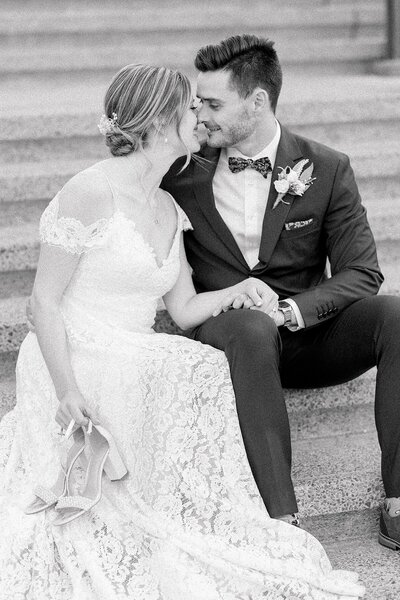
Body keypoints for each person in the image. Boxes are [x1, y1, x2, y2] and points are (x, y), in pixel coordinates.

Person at [0, 63, 365, 599]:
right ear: (155, 122)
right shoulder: (89, 191)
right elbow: (43, 304)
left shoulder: (170, 206)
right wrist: (67, 389)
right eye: (189, 106)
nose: (199, 114)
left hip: (133, 343)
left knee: (197, 364)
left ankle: (199, 509)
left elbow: (188, 308)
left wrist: (244, 290)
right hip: (74, 349)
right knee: (185, 368)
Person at [161, 34, 400, 549]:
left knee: (397, 315)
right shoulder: (180, 174)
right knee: (249, 326)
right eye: (198, 102)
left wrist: (289, 309)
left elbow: (362, 272)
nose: (201, 114)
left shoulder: (327, 167)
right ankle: (281, 519)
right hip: (230, 338)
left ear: (258, 101)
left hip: (308, 336)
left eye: (214, 103)